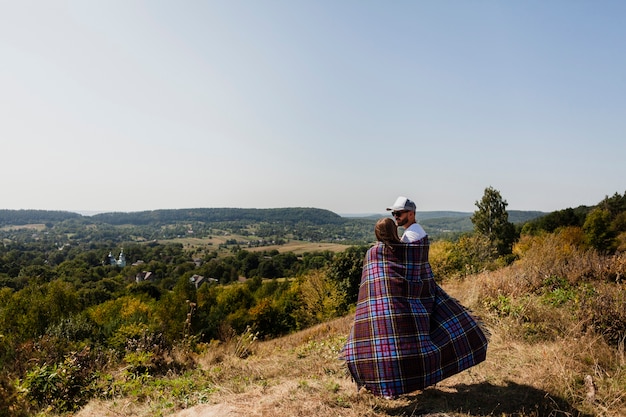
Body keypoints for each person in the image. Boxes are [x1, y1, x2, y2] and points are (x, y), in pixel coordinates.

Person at [342, 209, 489, 399]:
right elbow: (422, 274)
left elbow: (369, 288)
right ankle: (414, 379)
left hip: (381, 312)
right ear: (394, 231)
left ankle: (387, 388)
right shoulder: (409, 251)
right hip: (408, 310)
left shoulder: (373, 253)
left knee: (384, 350)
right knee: (410, 348)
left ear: (377, 234)